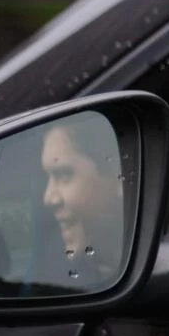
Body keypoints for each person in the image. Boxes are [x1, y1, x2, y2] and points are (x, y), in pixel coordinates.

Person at [40, 113, 125, 280]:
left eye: (63, 174)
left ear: (117, 173)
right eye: (47, 178)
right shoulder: (57, 271)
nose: (48, 198)